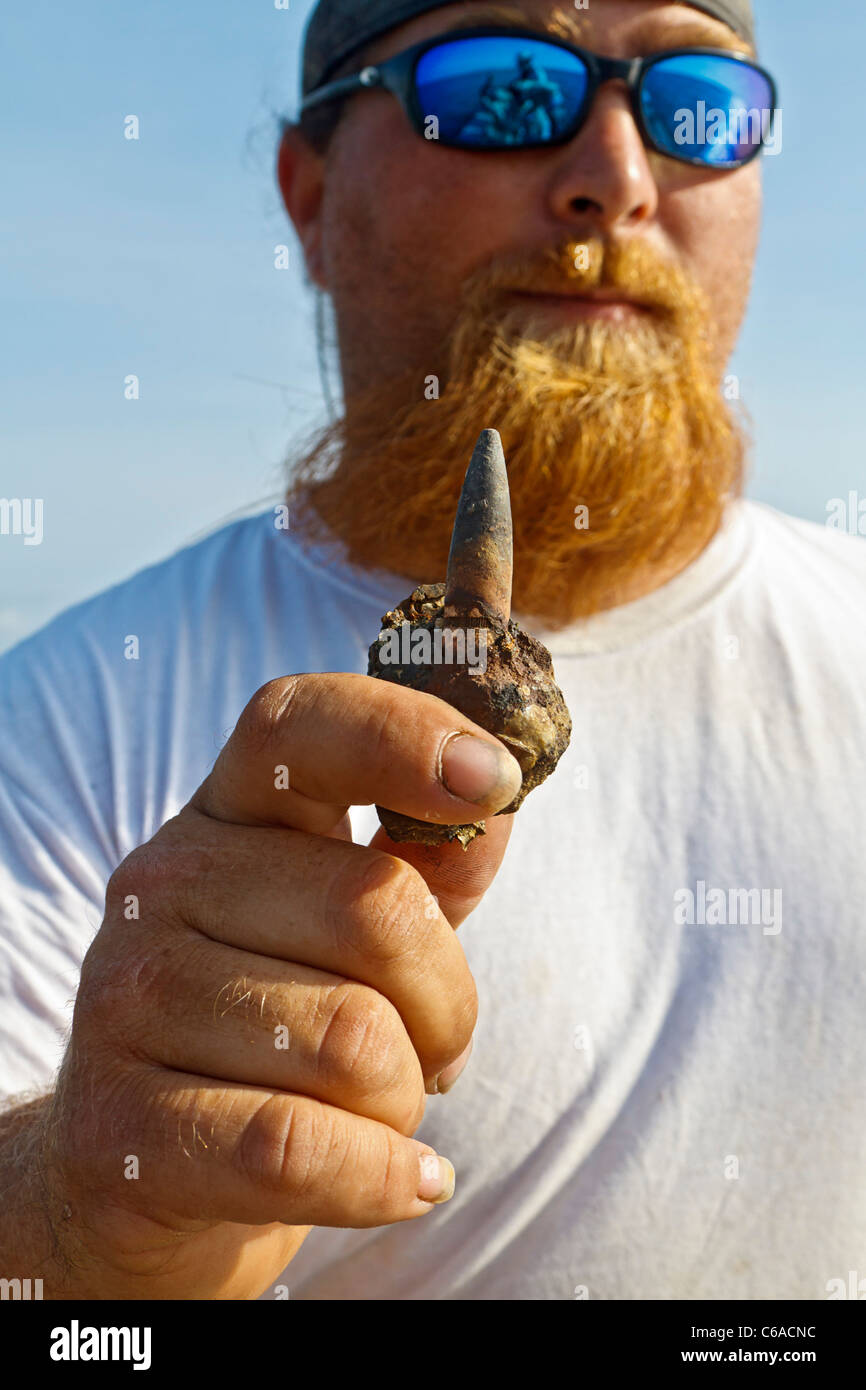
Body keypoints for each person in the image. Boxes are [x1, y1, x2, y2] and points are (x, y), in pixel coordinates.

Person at [1, 0, 864, 1302]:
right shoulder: (69, 712)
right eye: (502, 89)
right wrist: (79, 1212)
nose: (616, 181)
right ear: (308, 194)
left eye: (694, 105)